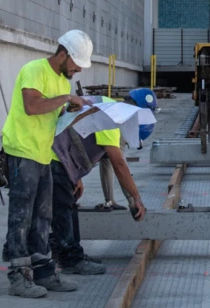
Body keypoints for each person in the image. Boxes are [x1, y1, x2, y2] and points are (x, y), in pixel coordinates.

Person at [0, 30, 94, 298]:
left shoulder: (62, 81)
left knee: (43, 217)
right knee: (21, 217)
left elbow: (52, 115)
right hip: (22, 151)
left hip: (43, 154)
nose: (77, 70)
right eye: (76, 64)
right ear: (62, 54)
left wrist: (69, 111)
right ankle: (19, 277)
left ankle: (43, 271)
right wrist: (66, 100)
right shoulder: (34, 70)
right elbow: (32, 106)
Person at [48, 98, 149, 276]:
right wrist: (136, 199)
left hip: (59, 160)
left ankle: (69, 254)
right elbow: (119, 164)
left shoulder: (107, 110)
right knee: (63, 211)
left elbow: (75, 137)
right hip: (55, 161)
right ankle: (70, 260)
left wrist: (75, 176)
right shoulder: (110, 124)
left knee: (66, 208)